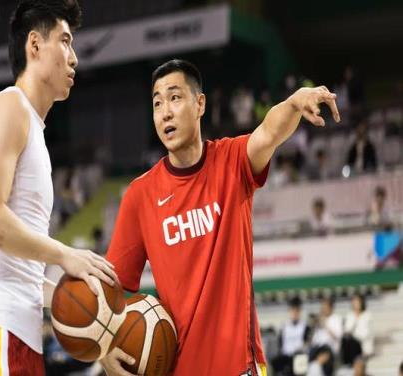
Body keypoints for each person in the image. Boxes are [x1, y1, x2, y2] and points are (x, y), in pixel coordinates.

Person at [101, 59, 340, 375]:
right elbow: (111, 284)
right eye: (157, 103)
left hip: (239, 366)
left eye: (175, 97)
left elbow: (268, 132)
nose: (165, 112)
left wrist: (294, 103)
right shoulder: (140, 195)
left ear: (200, 104)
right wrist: (105, 345)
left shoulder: (232, 161)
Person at [0, 0, 118, 375]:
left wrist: (99, 327)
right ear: (35, 45)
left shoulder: (33, 129)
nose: (74, 57)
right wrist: (65, 255)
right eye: (65, 41)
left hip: (17, 338)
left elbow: (20, 276)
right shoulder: (9, 106)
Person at [272, 297, 311, 376]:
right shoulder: (284, 326)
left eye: (297, 311)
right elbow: (280, 344)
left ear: (299, 312)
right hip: (286, 356)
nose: (294, 313)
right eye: (293, 310)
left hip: (299, 357)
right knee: (275, 362)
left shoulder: (305, 326)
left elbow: (307, 343)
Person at [341, 294, 373, 365]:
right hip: (352, 343)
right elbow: (347, 330)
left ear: (362, 303)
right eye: (354, 302)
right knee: (346, 340)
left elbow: (367, 334)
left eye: (357, 302)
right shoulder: (349, 315)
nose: (356, 304)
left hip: (363, 344)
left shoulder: (367, 315)